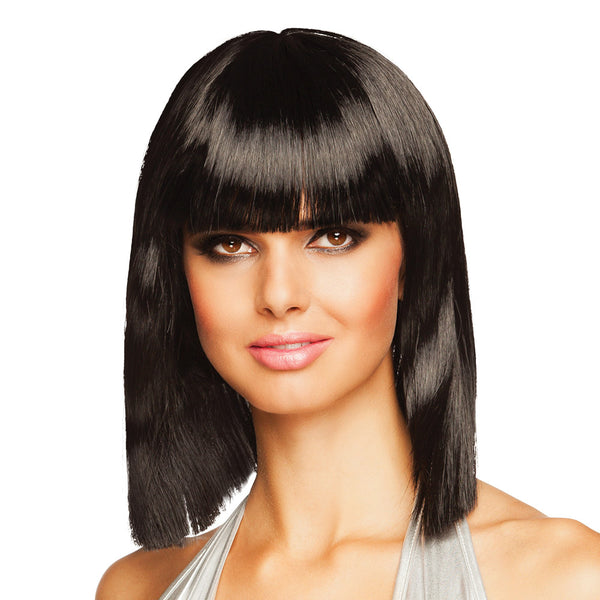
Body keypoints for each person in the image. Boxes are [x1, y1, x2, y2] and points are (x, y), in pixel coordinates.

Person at [96, 29, 600, 599]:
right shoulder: (136, 589)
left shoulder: (564, 579)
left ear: (413, 259)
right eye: (231, 245)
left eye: (333, 237)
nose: (279, 294)